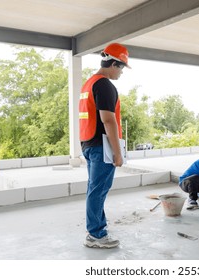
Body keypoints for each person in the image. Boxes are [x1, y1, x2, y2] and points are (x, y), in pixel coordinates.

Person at [79, 42, 130, 249]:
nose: (122, 73)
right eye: (122, 68)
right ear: (115, 64)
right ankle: (96, 235)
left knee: (94, 189)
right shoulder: (105, 85)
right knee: (98, 190)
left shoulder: (89, 83)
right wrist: (118, 153)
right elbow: (108, 120)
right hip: (101, 146)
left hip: (88, 143)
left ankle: (97, 228)